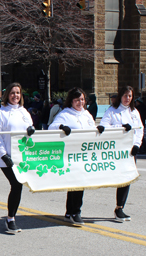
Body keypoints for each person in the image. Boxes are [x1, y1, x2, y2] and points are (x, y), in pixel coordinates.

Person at [49, 87, 98, 226]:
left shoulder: (87, 114)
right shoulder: (65, 114)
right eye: (77, 100)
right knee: (77, 183)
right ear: (71, 101)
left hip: (85, 154)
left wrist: (98, 130)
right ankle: (76, 211)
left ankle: (70, 212)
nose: (80, 102)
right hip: (71, 154)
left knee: (78, 183)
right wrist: (62, 127)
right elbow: (52, 127)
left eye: (82, 99)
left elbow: (92, 129)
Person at [0, 82, 35, 234]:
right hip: (7, 157)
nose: (15, 96)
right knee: (16, 185)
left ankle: (12, 217)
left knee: (19, 185)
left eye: (18, 93)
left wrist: (31, 130)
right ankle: (10, 219)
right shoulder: (0, 113)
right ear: (7, 95)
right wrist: (3, 155)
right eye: (12, 93)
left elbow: (30, 128)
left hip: (21, 156)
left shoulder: (24, 112)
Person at [99, 86, 143, 222]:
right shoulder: (112, 111)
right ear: (120, 96)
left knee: (126, 179)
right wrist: (122, 127)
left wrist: (136, 145)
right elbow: (103, 126)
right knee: (116, 178)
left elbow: (139, 129)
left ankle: (119, 208)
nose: (127, 98)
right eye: (125, 95)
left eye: (129, 96)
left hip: (129, 151)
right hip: (116, 151)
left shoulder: (134, 111)